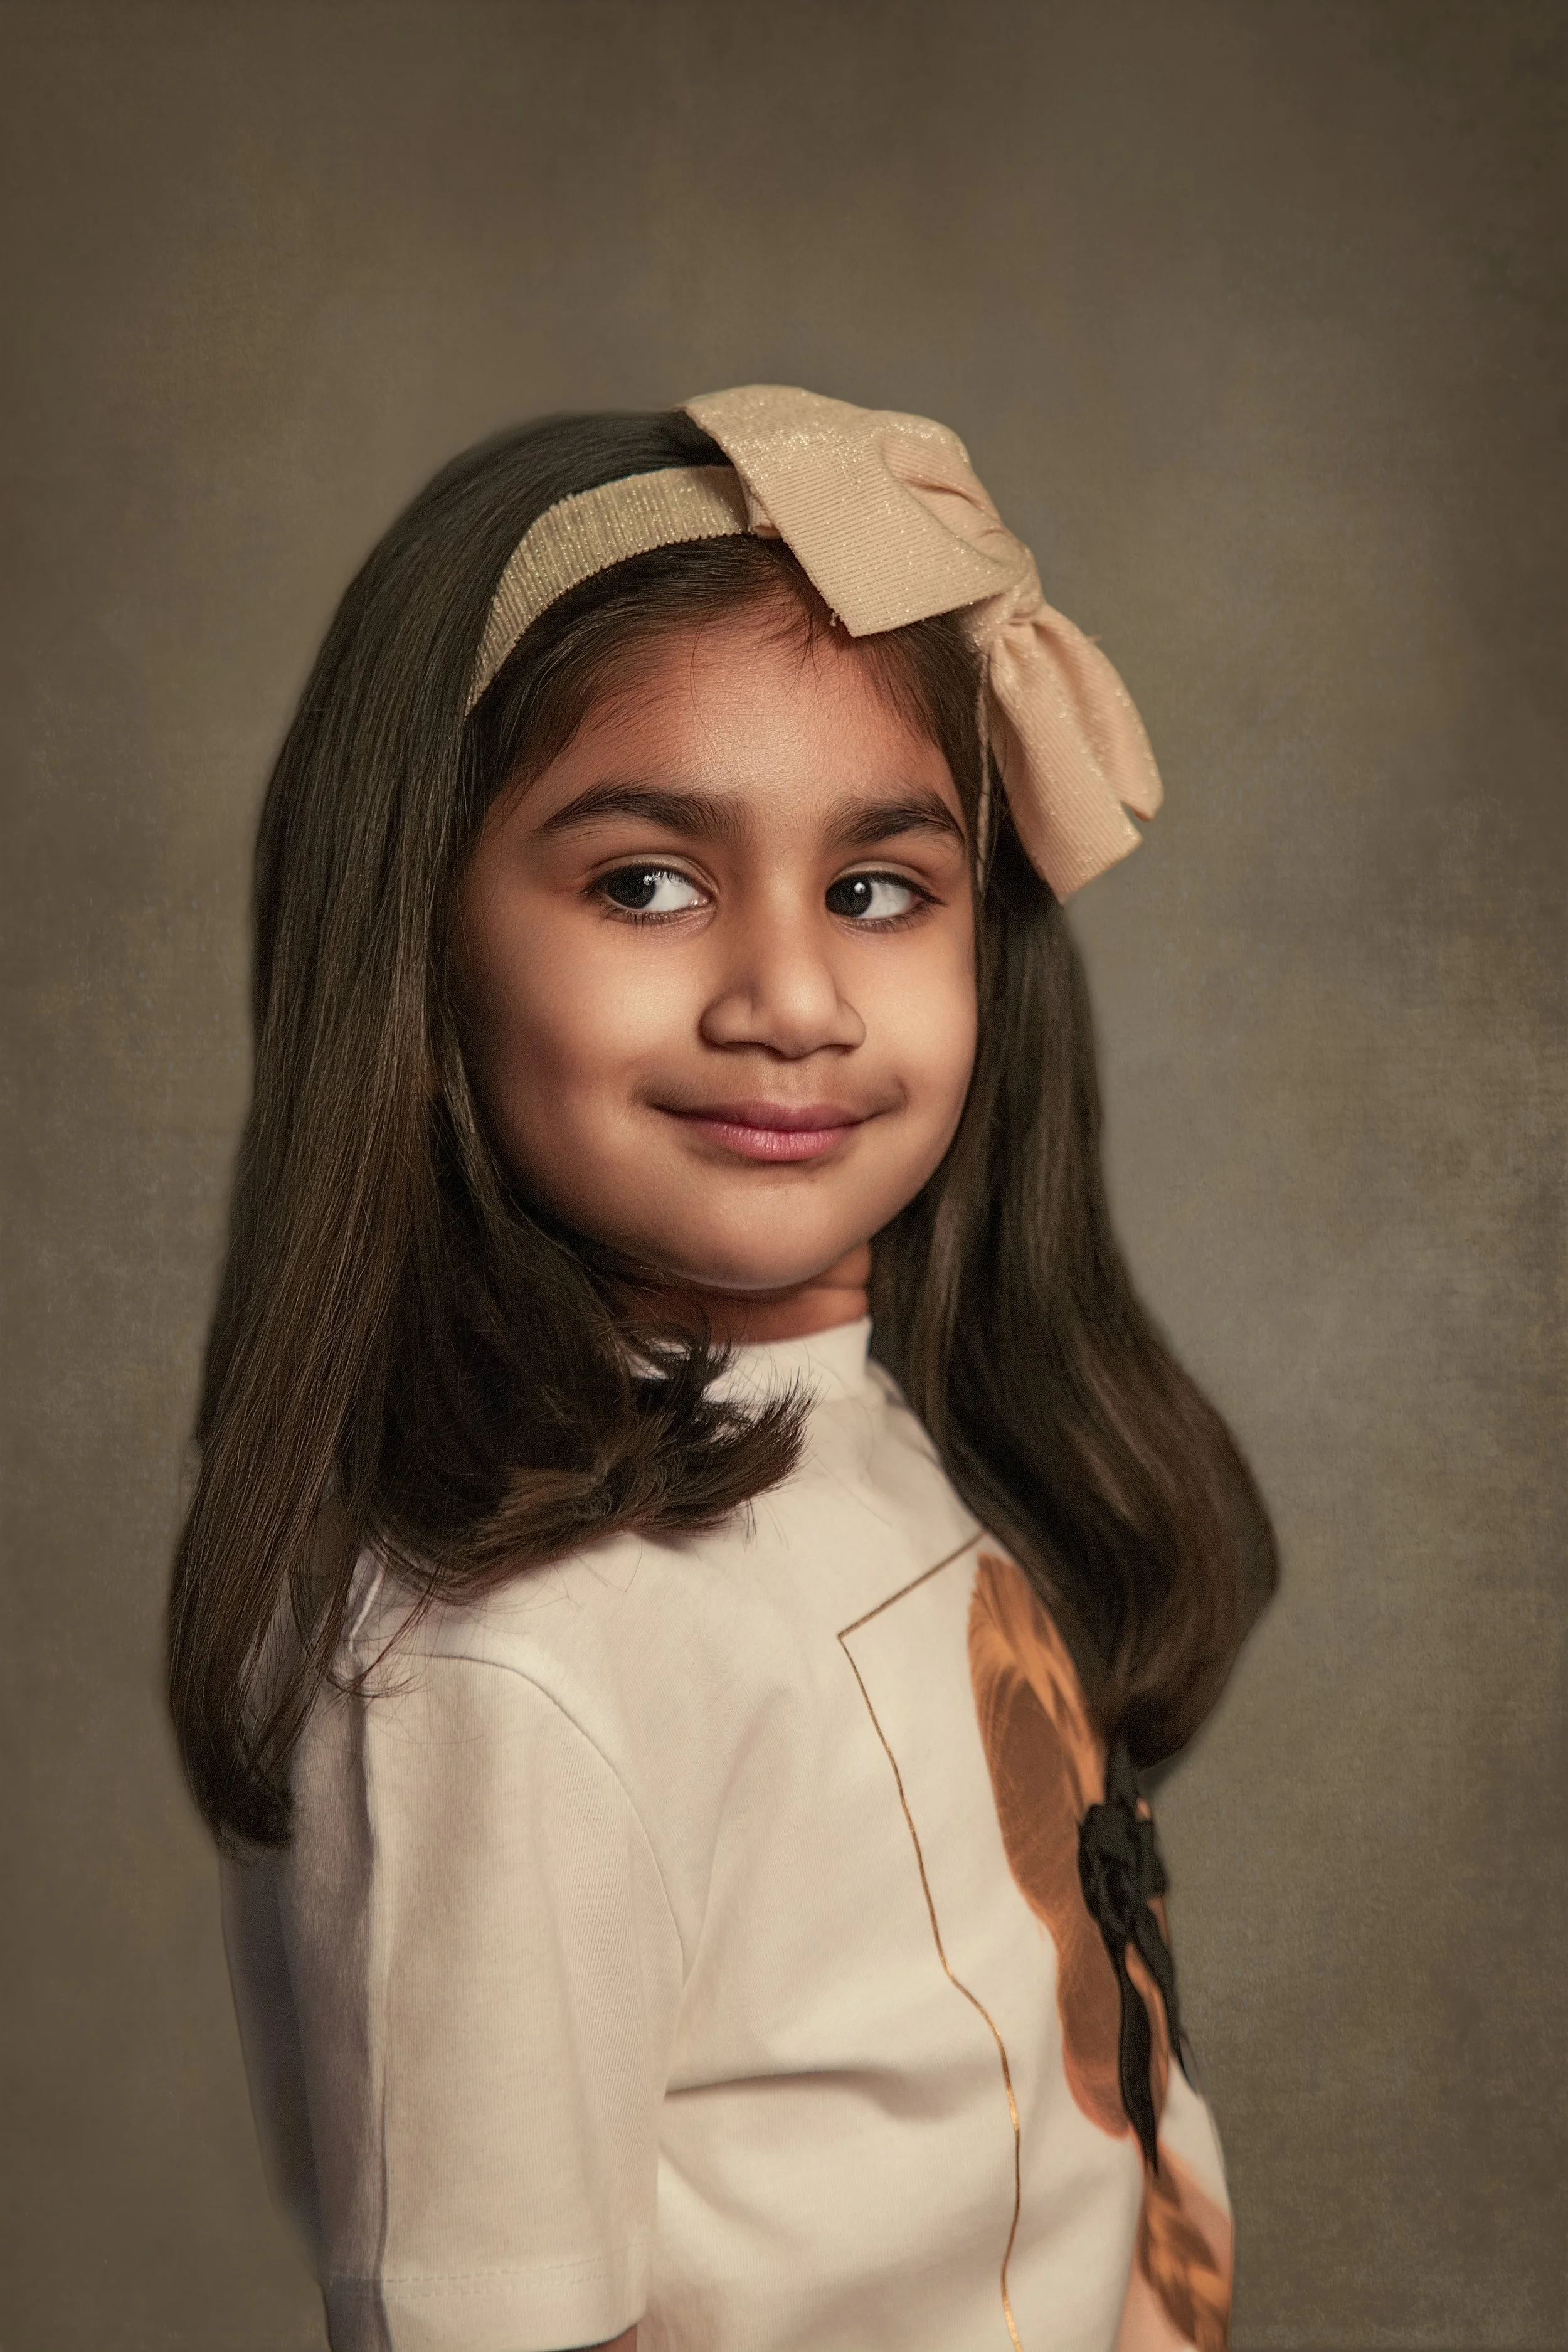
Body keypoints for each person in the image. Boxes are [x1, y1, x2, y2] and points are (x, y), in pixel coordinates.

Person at [168, 385, 1276, 2352]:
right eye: (645, 884)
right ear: (422, 941)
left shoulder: (882, 1427)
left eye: (875, 889)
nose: (788, 996)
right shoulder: (503, 1666)